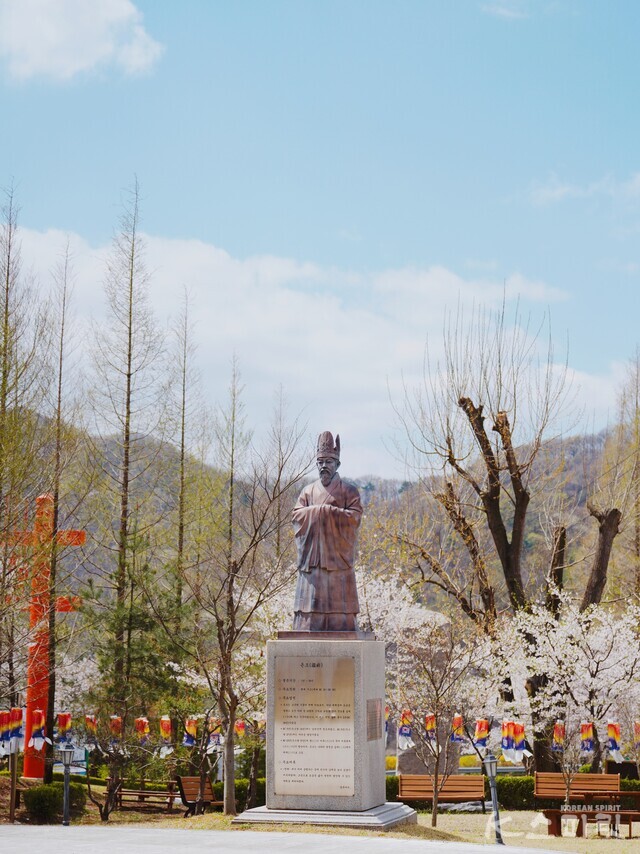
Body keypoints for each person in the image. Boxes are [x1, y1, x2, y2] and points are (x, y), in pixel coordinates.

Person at [292, 431, 363, 631]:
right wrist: (317, 513)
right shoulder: (307, 491)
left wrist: (327, 513)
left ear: (337, 464)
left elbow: (355, 517)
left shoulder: (349, 491)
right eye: (320, 462)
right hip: (313, 561)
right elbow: (296, 516)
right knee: (309, 611)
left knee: (339, 610)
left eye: (329, 461)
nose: (324, 466)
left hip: (337, 560)